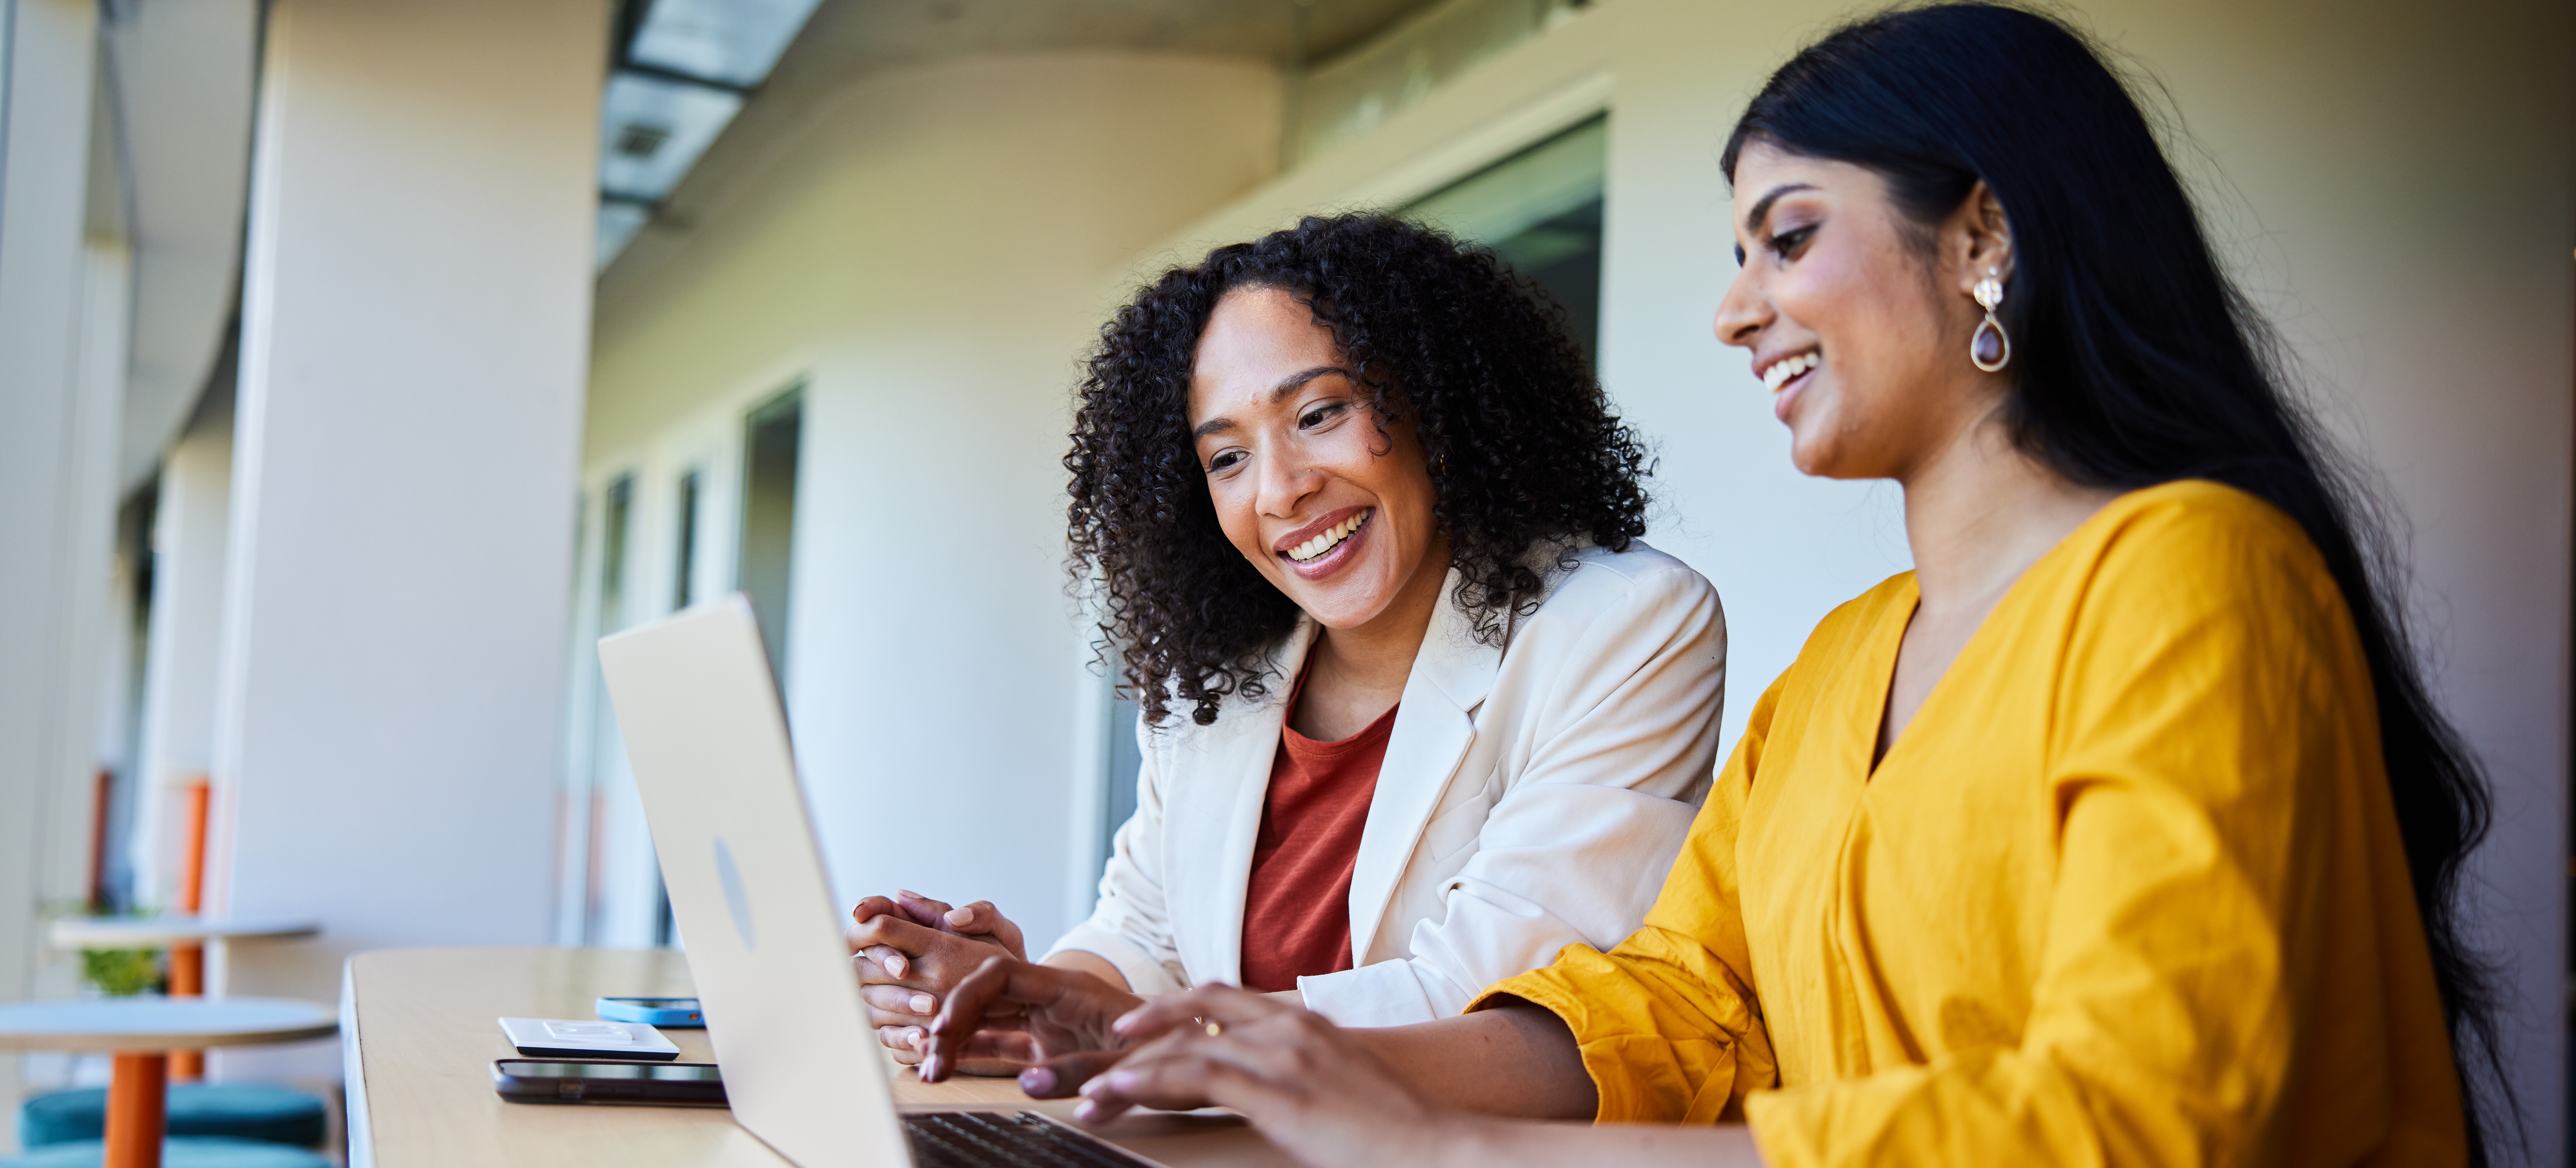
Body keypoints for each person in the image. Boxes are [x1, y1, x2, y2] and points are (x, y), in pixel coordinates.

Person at [914, 6, 2506, 1165]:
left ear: (1983, 238)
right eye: (1737, 254)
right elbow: (1675, 1010)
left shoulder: (2190, 574)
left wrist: (1453, 1146)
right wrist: (1281, 1051)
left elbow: (2139, 1115)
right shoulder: (1840, 668)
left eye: (1785, 237)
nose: (1736, 310)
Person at [845, 213, 1729, 1075]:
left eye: (1319, 413)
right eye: (1226, 458)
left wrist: (1131, 1030)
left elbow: (1498, 1002)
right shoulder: (1226, 679)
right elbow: (1141, 942)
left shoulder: (1628, 624)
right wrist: (1017, 995)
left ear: (1436, 401)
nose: (1280, 491)